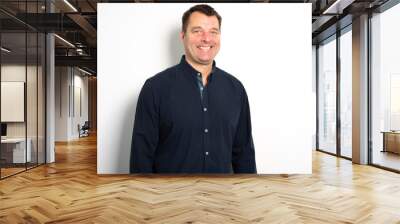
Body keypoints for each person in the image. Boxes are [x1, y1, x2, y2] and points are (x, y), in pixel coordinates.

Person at [130, 4, 256, 174]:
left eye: (213, 32)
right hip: (169, 198)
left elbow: (244, 154)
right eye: (197, 31)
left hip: (222, 197)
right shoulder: (155, 88)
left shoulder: (236, 89)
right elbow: (141, 156)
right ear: (183, 36)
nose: (206, 38)